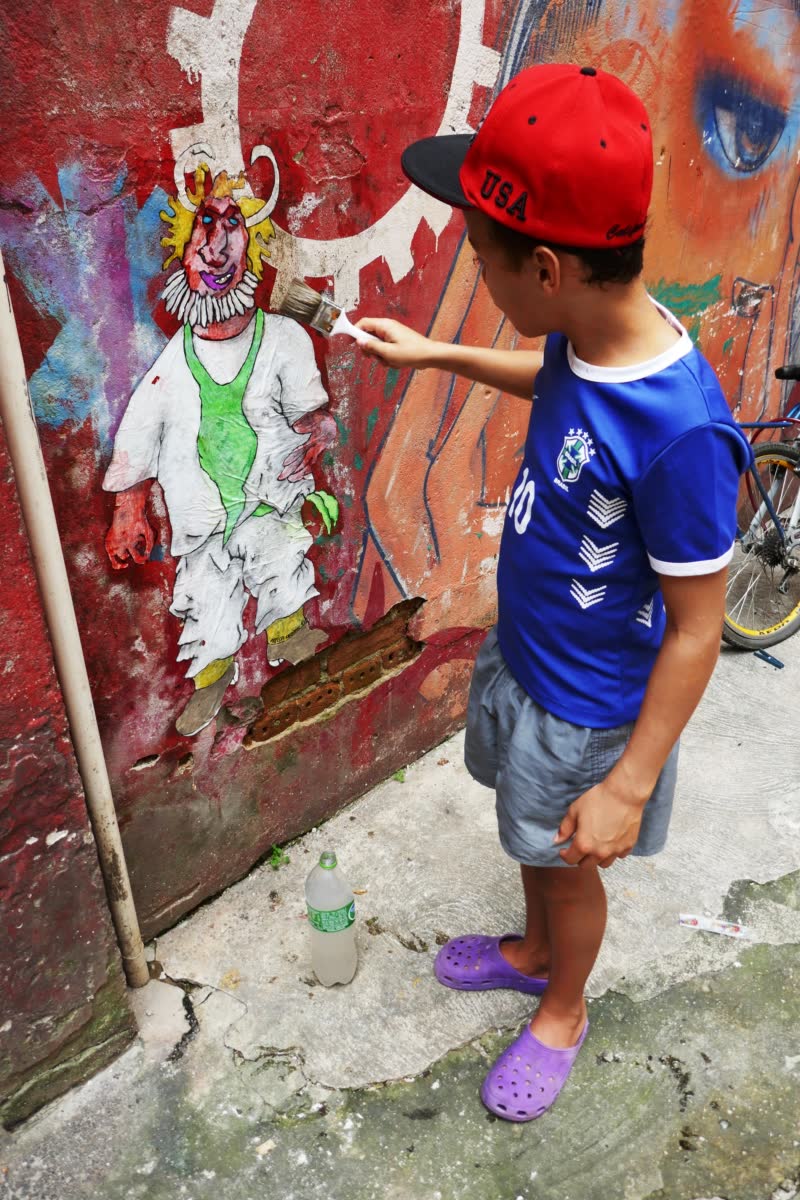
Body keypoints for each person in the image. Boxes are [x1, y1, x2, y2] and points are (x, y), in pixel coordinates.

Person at [357, 63, 752, 1122]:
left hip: (587, 710)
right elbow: (557, 382)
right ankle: (532, 952)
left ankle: (562, 1008)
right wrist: (437, 353)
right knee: (528, 839)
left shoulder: (680, 433)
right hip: (530, 662)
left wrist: (627, 783)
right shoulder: (591, 332)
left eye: (479, 258)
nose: (475, 272)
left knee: (568, 863)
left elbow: (697, 630)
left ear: (543, 266)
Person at [103, 167, 336, 737]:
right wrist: (128, 509)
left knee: (281, 560)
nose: (217, 244)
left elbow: (310, 411)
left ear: (251, 246)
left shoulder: (283, 339)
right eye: (205, 224)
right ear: (184, 251)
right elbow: (139, 433)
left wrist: (319, 431)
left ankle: (287, 635)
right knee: (207, 598)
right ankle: (212, 678)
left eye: (233, 225)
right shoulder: (172, 365)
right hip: (202, 516)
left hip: (267, 496)